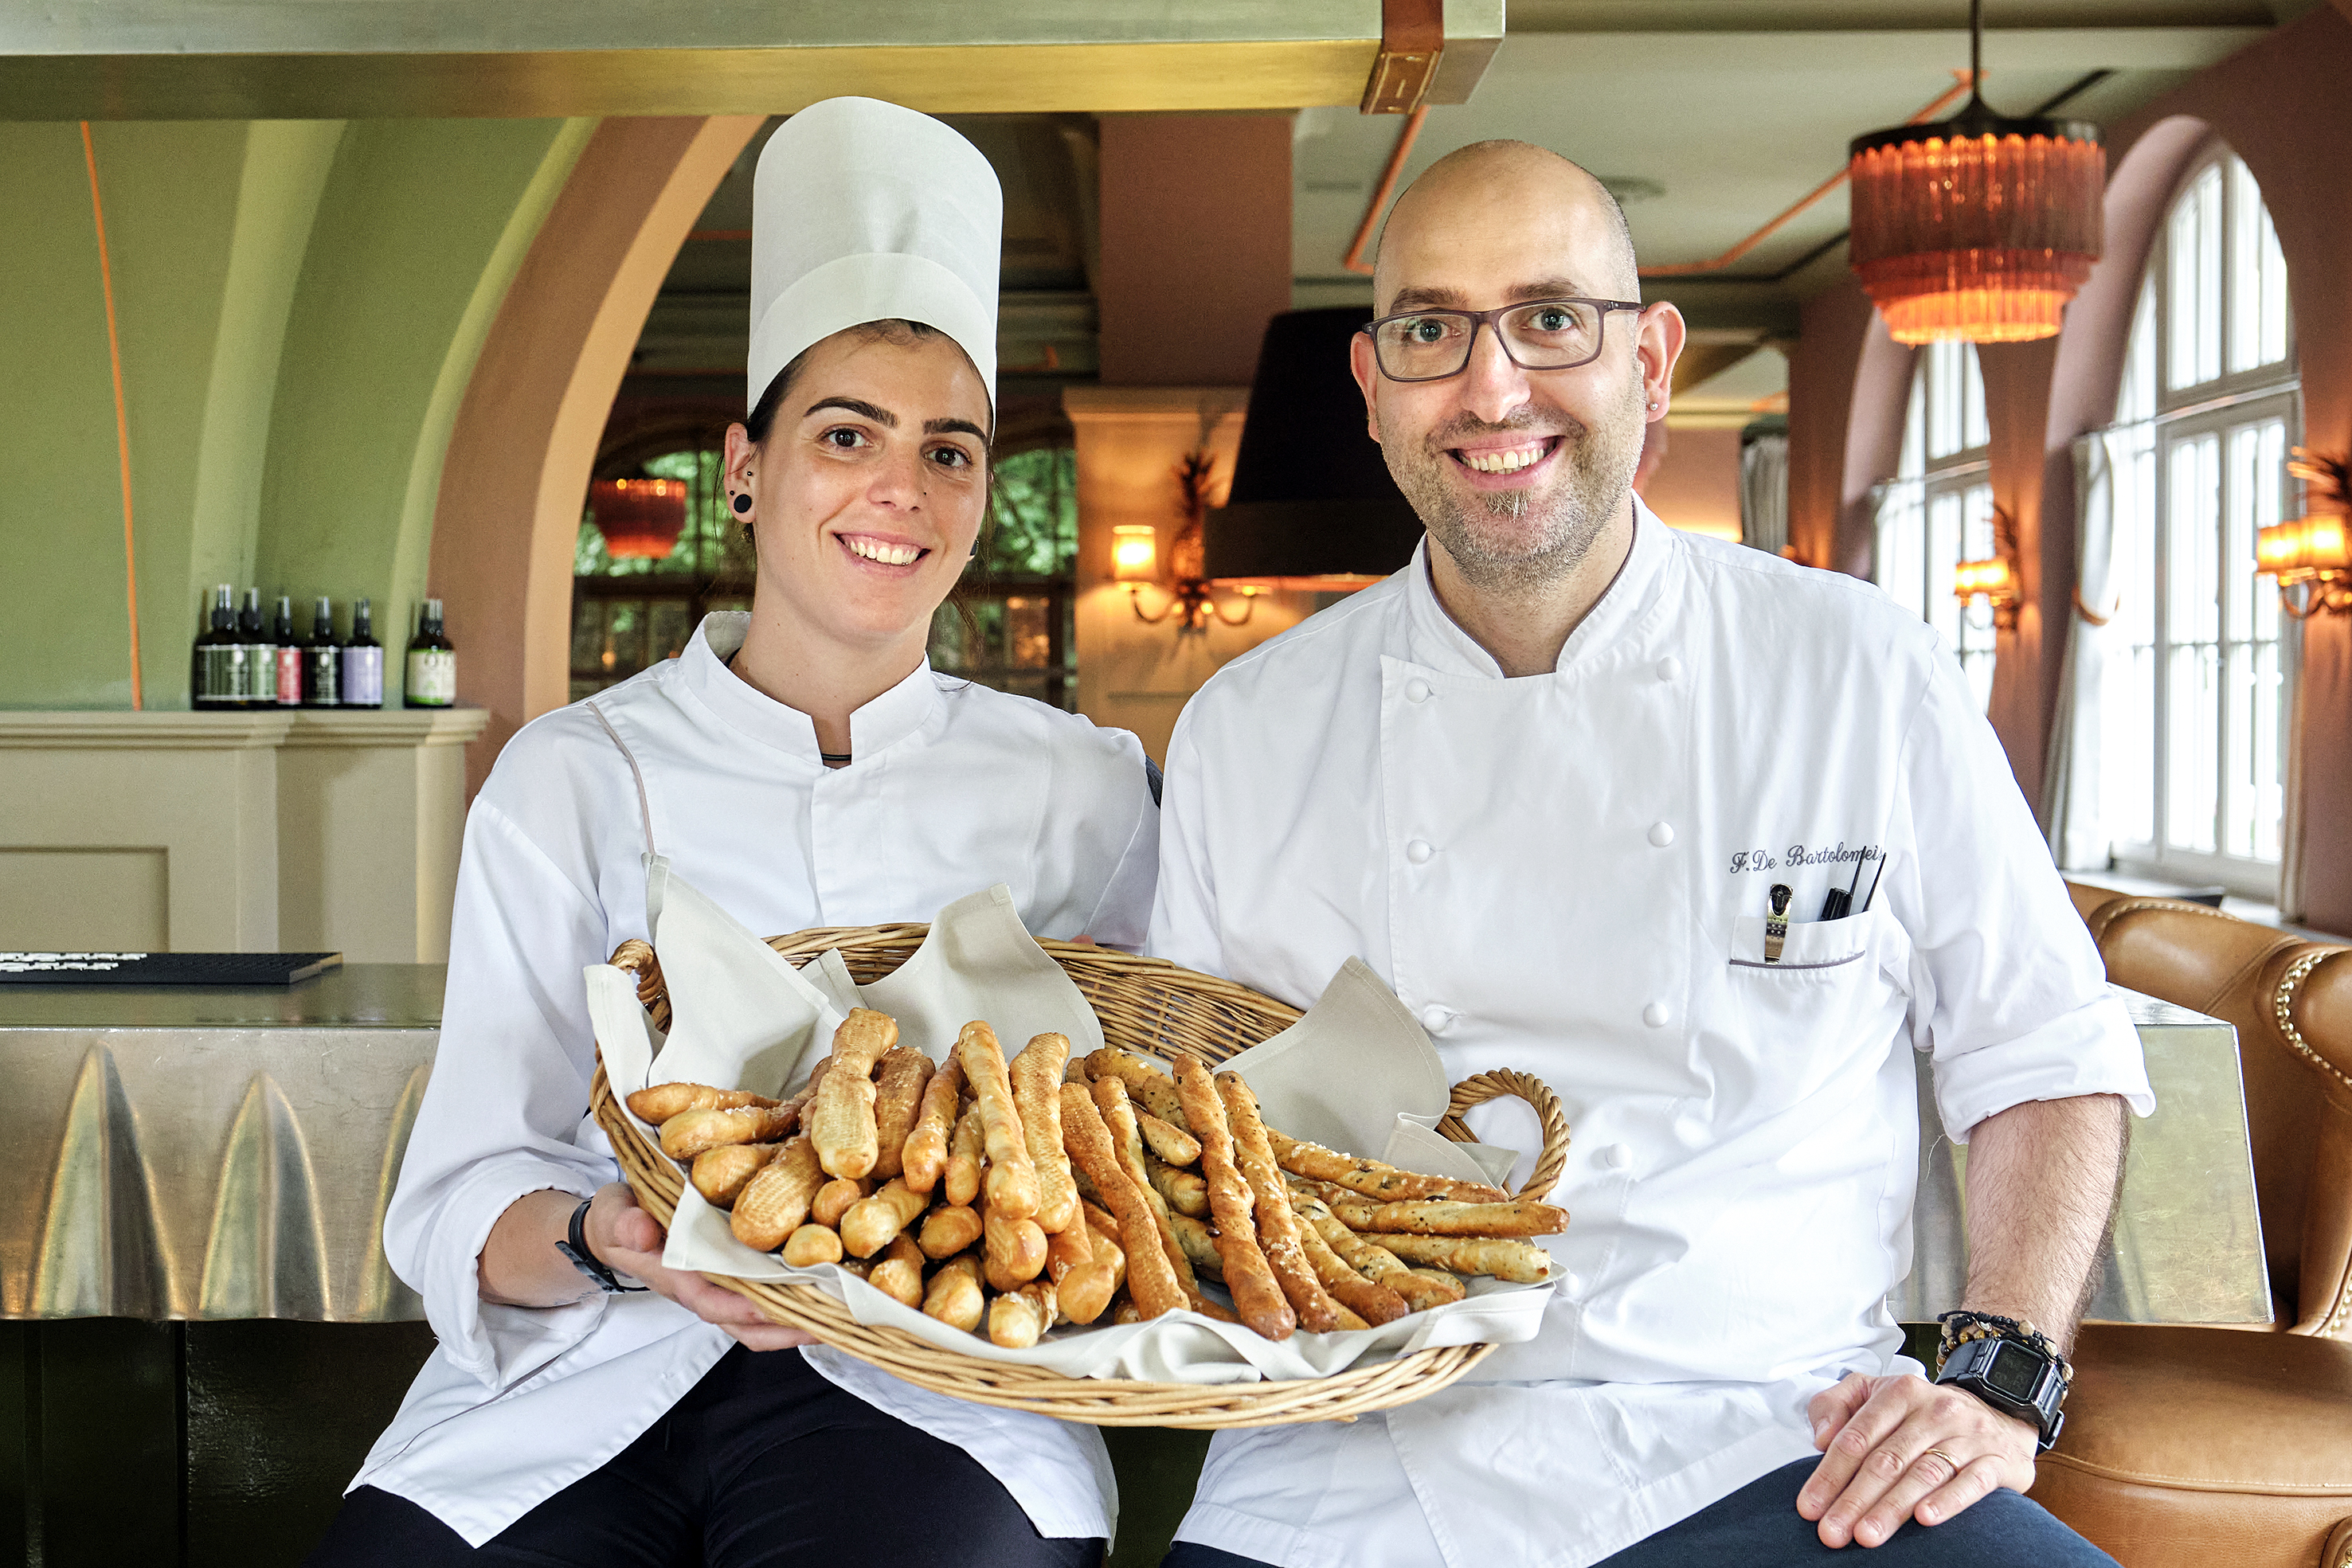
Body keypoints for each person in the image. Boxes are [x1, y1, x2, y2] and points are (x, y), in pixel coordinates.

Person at [1148, 139, 2151, 1567]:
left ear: (1652, 360)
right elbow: (1178, 1123)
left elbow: (2043, 1050)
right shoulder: (1247, 726)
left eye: (1550, 319)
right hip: (1354, 1463)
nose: (1492, 390)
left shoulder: (1854, 666)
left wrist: (2000, 1372)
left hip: (1791, 1443)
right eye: (1431, 331)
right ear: (1371, 390)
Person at [307, 98, 1154, 1566]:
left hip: (941, 1382)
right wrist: (605, 1240)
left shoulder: (1082, 784)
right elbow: (464, 1187)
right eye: (847, 434)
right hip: (585, 1366)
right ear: (747, 467)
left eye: (951, 451)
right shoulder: (571, 773)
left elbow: (1151, 1119)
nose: (903, 486)